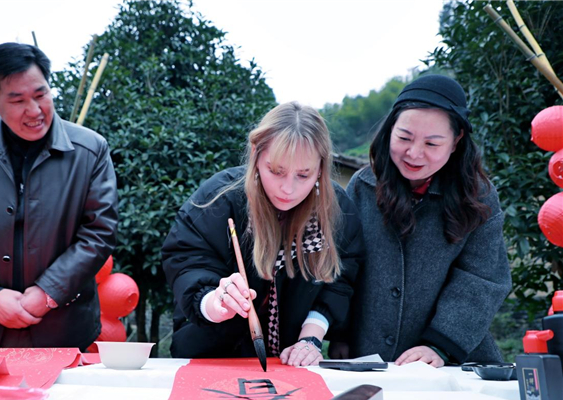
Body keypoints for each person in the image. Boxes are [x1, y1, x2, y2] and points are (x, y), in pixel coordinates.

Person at [0, 42, 118, 351]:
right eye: (17, 100)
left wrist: (48, 292)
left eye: (41, 95)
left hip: (64, 329)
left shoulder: (90, 150)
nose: (34, 111)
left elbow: (100, 231)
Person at [162, 102, 364, 366]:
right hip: (211, 356)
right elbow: (186, 259)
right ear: (256, 153)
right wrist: (215, 301)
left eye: (304, 175)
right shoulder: (219, 200)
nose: (288, 188)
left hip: (289, 363)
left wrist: (310, 338)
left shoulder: (336, 210)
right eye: (276, 171)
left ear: (321, 167)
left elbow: (341, 278)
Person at [329, 74, 512, 367]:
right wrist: (341, 333)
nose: (414, 153)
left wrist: (439, 345)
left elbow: (483, 279)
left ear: (456, 142)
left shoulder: (478, 198)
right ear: (390, 130)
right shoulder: (362, 188)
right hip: (368, 355)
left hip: (452, 362)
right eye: (404, 137)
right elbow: (345, 266)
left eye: (432, 143)